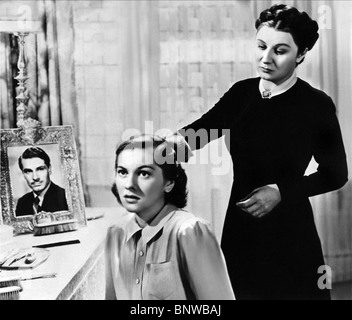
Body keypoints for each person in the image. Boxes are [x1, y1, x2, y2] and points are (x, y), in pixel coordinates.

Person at [176, 4, 348, 300]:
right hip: (241, 227)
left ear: (302, 54)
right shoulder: (241, 93)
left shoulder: (316, 105)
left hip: (291, 229)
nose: (265, 58)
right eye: (260, 46)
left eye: (280, 51)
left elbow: (336, 174)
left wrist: (281, 191)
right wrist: (169, 145)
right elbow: (203, 130)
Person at [105, 134, 235, 300]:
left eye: (144, 173)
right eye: (122, 172)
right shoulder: (116, 233)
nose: (129, 184)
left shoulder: (190, 232)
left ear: (169, 183)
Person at [15, 147, 69, 217]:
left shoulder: (65, 198)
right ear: (23, 174)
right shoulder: (22, 203)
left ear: (49, 169)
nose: (35, 177)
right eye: (28, 171)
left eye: (40, 169)